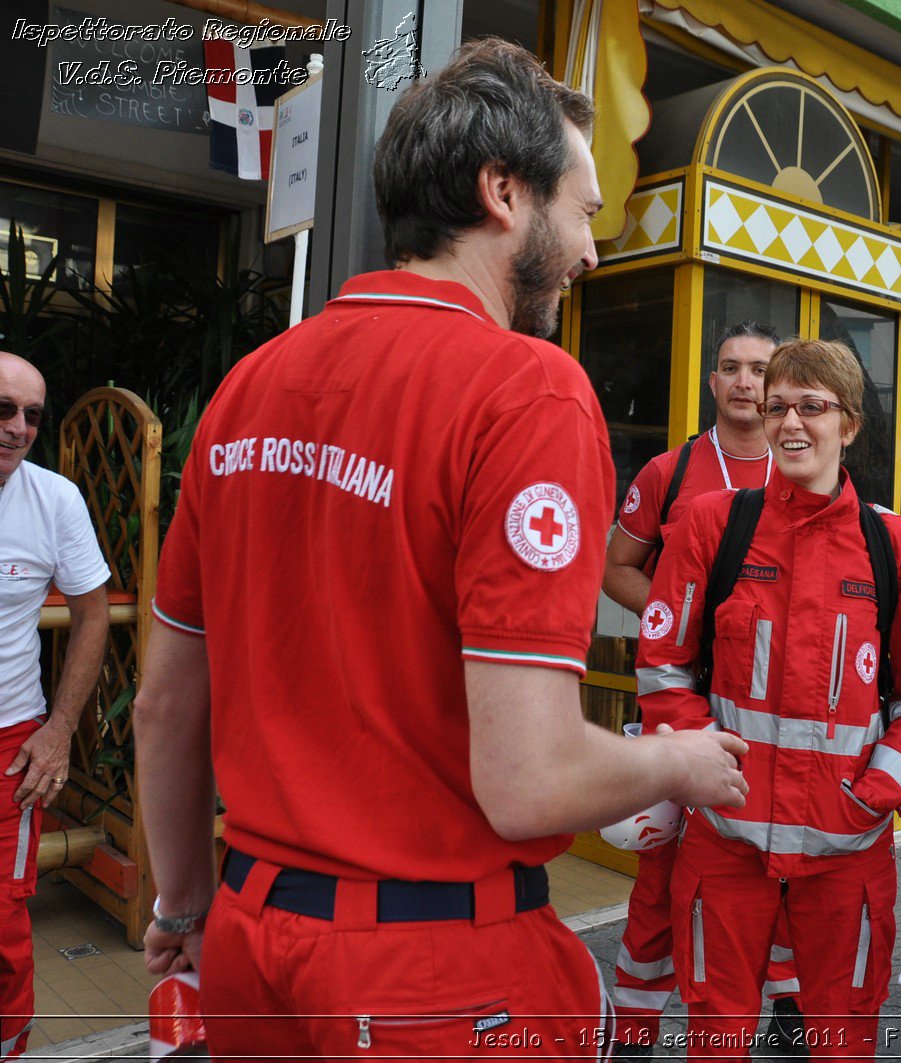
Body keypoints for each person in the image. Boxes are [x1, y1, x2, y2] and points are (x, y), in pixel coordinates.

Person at [133, 39, 748, 1059]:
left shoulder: (250, 386)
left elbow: (164, 701)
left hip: (252, 943)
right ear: (504, 192)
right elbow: (530, 779)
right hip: (432, 975)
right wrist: (679, 760)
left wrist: (185, 904)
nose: (593, 251)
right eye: (585, 211)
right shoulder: (527, 388)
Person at [636, 338, 901, 1060]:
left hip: (848, 848)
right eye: (779, 405)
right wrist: (706, 776)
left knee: (843, 1035)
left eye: (812, 406)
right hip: (727, 839)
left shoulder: (893, 543)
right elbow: (662, 667)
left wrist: (871, 794)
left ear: (849, 425)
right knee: (717, 1034)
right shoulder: (716, 524)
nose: (790, 423)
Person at [603, 320, 808, 1058]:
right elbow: (615, 566)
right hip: (679, 699)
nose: (747, 382)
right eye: (732, 368)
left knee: (776, 865)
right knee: (660, 872)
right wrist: (683, 614)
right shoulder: (670, 469)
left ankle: (787, 1010)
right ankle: (632, 1032)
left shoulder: (802, 467)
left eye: (761, 369)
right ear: (713, 383)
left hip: (774, 710)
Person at [0, 352, 109, 1059]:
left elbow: (95, 613)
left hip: (10, 744)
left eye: (32, 415)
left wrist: (61, 727)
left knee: (4, 931)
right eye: (3, 408)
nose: (18, 428)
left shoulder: (56, 500)